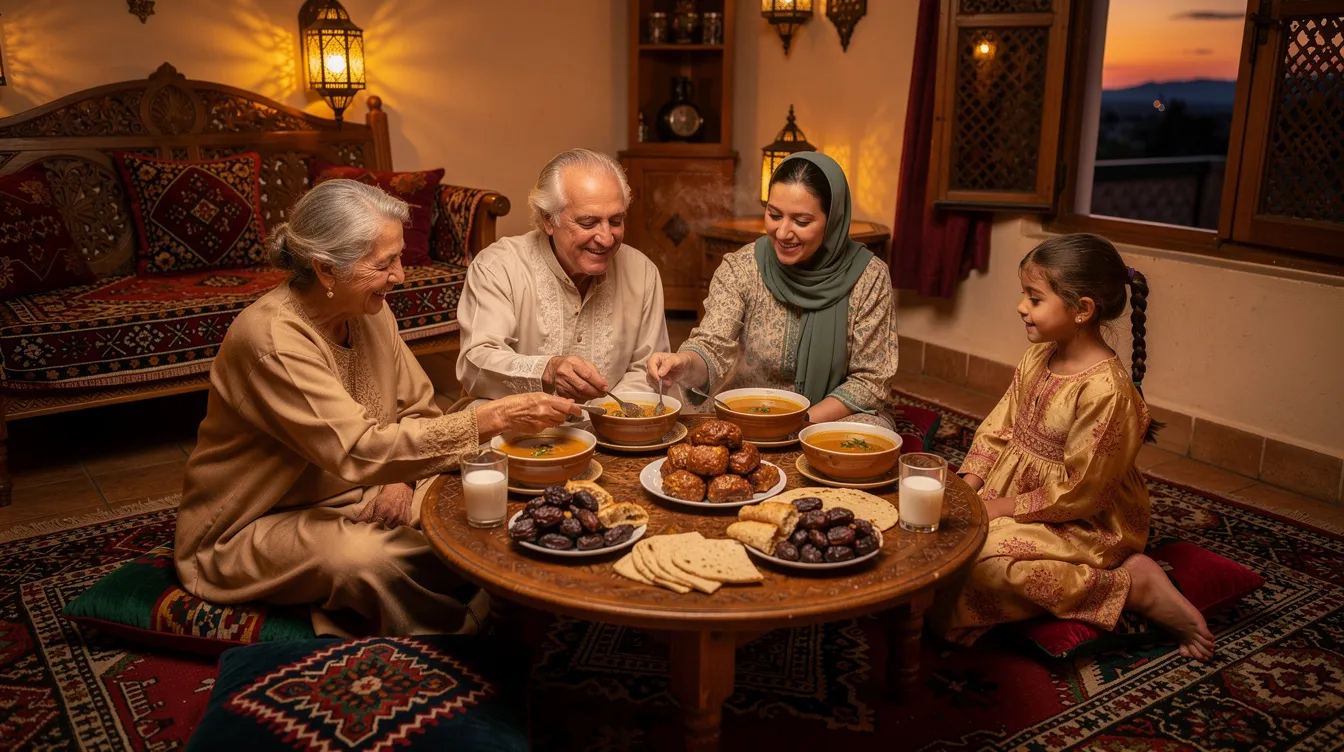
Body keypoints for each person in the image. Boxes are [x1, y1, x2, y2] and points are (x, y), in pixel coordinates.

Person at [174, 179, 580, 638]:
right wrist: (495, 418)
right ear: (326, 270)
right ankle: (468, 634)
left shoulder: (370, 312)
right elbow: (358, 451)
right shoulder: (272, 340)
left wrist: (403, 481)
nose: (401, 275)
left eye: (399, 257)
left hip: (364, 487)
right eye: (384, 263)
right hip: (254, 522)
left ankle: (496, 592)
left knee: (475, 511)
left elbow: (419, 410)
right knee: (369, 560)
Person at [941, 233, 1215, 660]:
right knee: (941, 540)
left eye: (1034, 298)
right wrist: (969, 484)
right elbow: (1001, 425)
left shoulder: (1107, 391)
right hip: (1012, 495)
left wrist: (1001, 509)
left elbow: (1084, 491)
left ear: (1082, 310)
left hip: (1083, 520)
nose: (1021, 307)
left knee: (981, 566)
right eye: (1023, 295)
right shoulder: (1038, 356)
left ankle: (1130, 586)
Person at [647, 152, 899, 428]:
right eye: (774, 215)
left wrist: (798, 422)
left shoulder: (868, 277)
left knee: (866, 441)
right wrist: (685, 362)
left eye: (801, 221)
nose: (782, 233)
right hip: (749, 412)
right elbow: (712, 346)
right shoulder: (742, 268)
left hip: (831, 415)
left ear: (833, 220)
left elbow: (870, 380)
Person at [456, 148, 670, 402]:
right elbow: (477, 362)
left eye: (615, 220)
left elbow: (647, 371)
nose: (606, 238)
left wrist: (607, 417)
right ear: (548, 219)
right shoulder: (498, 267)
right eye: (588, 223)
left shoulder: (643, 273)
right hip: (519, 425)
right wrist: (547, 370)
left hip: (612, 429)